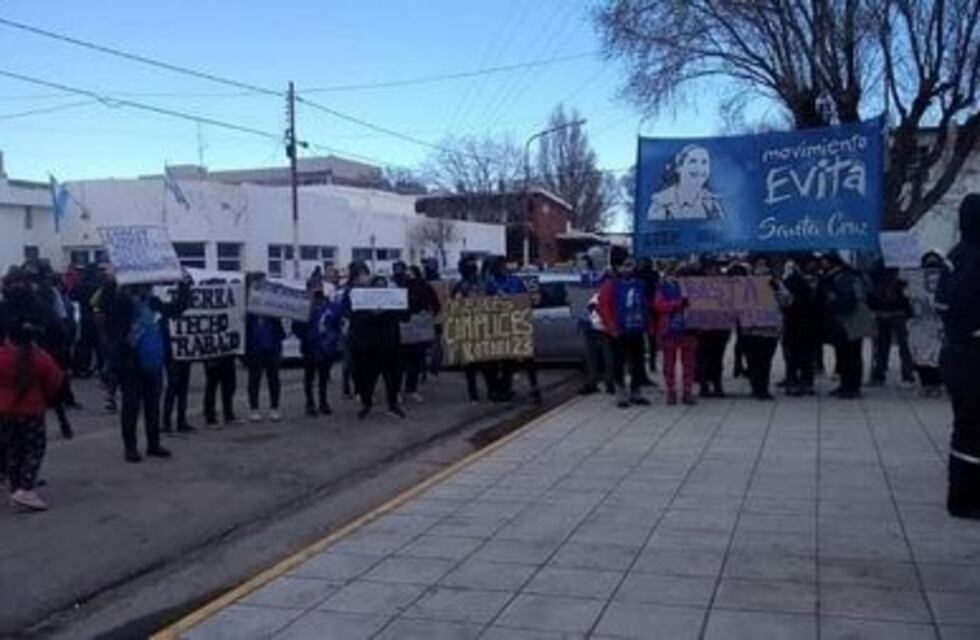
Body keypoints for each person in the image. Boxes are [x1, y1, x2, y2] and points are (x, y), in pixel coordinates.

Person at [106, 281, 189, 462]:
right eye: (145, 286)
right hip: (131, 365)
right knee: (131, 407)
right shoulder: (121, 304)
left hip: (153, 361)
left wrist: (185, 287)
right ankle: (130, 448)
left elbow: (176, 309)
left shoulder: (153, 302)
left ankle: (153, 444)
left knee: (153, 406)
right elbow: (112, 331)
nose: (149, 289)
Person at [936, 194, 980, 519]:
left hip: (958, 353)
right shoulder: (973, 257)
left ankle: (964, 494)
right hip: (969, 354)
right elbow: (958, 304)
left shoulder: (958, 254)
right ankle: (965, 498)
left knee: (968, 428)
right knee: (972, 429)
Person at [0, 314, 64, 511]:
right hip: (31, 411)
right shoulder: (40, 358)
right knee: (33, 449)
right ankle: (25, 488)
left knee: (12, 448)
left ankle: (14, 484)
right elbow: (55, 380)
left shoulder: (2, 356)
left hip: (5, 411)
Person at [345, 266, 405, 419]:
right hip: (372, 347)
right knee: (368, 380)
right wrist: (374, 314)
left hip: (391, 346)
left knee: (393, 379)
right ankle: (366, 405)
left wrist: (396, 305)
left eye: (382, 287)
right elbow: (358, 319)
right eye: (376, 287)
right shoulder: (364, 302)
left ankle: (393, 406)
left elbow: (404, 316)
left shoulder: (392, 301)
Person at [485, 257, 541, 403]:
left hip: (518, 325)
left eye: (503, 266)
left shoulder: (515, 281)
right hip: (500, 328)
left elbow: (526, 299)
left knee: (525, 359)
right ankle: (503, 390)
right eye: (499, 266)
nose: (502, 268)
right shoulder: (490, 284)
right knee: (504, 361)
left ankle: (534, 389)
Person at [598, 256, 651, 408]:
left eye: (630, 265)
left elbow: (644, 305)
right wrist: (611, 327)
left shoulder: (640, 284)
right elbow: (603, 308)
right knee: (618, 363)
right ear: (617, 267)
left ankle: (636, 391)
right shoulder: (610, 285)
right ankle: (620, 393)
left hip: (637, 329)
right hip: (619, 330)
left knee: (638, 362)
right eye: (625, 265)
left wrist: (648, 325)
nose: (628, 269)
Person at [821, 252, 874, 399]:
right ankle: (845, 384)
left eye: (825, 261)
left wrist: (833, 301)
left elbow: (847, 299)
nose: (822, 264)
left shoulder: (844, 277)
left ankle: (853, 387)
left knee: (852, 353)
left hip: (851, 318)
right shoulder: (836, 276)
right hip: (844, 318)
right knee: (843, 353)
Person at [741, 256, 792, 401]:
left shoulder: (776, 284)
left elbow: (788, 301)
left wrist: (777, 290)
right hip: (751, 329)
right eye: (759, 267)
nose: (762, 271)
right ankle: (755, 386)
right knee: (753, 360)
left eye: (765, 268)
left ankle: (763, 388)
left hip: (770, 330)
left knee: (765, 360)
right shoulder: (747, 284)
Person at [294, 289, 343, 417]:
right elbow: (296, 327)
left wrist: (333, 339)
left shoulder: (332, 307)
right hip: (310, 347)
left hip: (326, 347)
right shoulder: (304, 307)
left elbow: (337, 325)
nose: (318, 297)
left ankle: (323, 402)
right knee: (309, 377)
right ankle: (310, 404)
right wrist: (305, 337)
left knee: (323, 377)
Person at [245, 275, 286, 423]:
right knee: (254, 379)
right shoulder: (246, 307)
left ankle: (275, 407)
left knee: (274, 379)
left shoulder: (272, 306)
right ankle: (254, 408)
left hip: (272, 346)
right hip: (254, 348)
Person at [452, 257, 494, 402]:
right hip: (468, 330)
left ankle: (490, 391)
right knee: (471, 366)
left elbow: (497, 299)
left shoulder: (486, 283)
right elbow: (454, 307)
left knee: (487, 365)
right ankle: (474, 394)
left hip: (484, 328)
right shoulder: (460, 286)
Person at [397, 265, 441, 402]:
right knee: (403, 362)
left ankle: (410, 389)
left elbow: (436, 305)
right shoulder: (401, 287)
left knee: (414, 361)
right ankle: (400, 390)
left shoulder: (423, 287)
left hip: (417, 327)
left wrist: (427, 315)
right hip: (406, 327)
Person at [655, 264, 697, 405]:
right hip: (669, 330)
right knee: (669, 363)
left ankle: (687, 391)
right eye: (672, 274)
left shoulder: (693, 288)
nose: (676, 277)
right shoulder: (662, 288)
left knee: (689, 363)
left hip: (689, 329)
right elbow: (658, 305)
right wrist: (678, 304)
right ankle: (671, 391)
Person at [648, 144, 724, 221]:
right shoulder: (661, 203)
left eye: (704, 162)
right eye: (692, 162)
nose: (699, 168)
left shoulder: (713, 204)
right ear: (679, 168)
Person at [782, 255, 821, 396]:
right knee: (803, 354)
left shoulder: (791, 280)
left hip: (796, 322)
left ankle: (795, 381)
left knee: (796, 354)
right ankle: (803, 381)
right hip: (802, 322)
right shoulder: (806, 281)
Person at [869, 266, 915, 385]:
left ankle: (880, 373)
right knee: (902, 345)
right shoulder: (901, 278)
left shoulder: (878, 275)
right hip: (897, 314)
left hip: (887, 314)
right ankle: (907, 373)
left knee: (883, 346)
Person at [577, 251, 612, 395]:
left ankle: (610, 382)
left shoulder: (608, 276)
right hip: (587, 319)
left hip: (603, 318)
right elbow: (578, 296)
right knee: (590, 353)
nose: (588, 262)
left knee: (607, 352)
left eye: (590, 259)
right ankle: (592, 381)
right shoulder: (584, 276)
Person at [696, 257, 730, 398]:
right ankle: (704, 386)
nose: (712, 272)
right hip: (704, 328)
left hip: (720, 329)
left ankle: (717, 385)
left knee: (717, 359)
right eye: (710, 269)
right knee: (704, 358)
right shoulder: (698, 286)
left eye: (714, 269)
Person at [915, 251, 946, 397]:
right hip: (922, 325)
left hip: (940, 325)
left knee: (938, 355)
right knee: (922, 355)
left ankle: (936, 383)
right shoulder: (916, 281)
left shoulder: (947, 279)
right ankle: (927, 383)